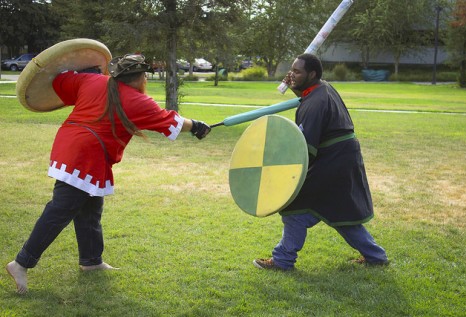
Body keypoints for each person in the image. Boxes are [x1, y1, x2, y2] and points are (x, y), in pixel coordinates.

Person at [6, 54, 211, 294]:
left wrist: (87, 73)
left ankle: (91, 261)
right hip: (85, 156)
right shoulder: (137, 101)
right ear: (140, 77)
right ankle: (21, 263)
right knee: (60, 210)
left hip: (74, 148)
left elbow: (60, 81)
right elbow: (170, 121)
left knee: (90, 208)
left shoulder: (92, 81)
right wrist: (196, 125)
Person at [253, 53, 388, 271]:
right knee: (341, 211)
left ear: (312, 74)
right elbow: (306, 97)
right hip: (343, 157)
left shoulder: (314, 102)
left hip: (333, 161)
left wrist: (288, 172)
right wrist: (296, 86)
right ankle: (376, 256)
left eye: (297, 71)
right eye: (291, 70)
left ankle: (283, 260)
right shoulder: (323, 88)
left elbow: (305, 149)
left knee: (295, 205)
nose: (291, 74)